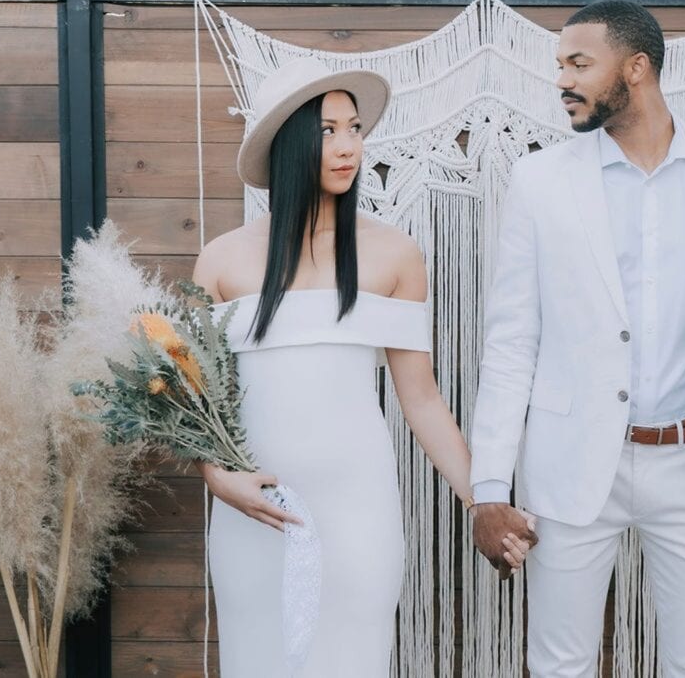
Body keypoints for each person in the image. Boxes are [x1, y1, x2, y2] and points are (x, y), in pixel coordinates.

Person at [469, 2, 685, 677]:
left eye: (579, 64)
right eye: (559, 65)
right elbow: (511, 340)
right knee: (559, 664)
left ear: (637, 68)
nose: (563, 80)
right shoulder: (539, 180)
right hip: (570, 463)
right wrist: (487, 487)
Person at [191, 57, 534, 677]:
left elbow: (422, 400)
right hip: (253, 515)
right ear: (289, 143)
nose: (348, 146)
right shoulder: (221, 261)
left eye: (354, 128)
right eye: (328, 131)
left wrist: (483, 500)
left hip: (358, 510)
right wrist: (217, 478)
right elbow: (192, 403)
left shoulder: (393, 255)